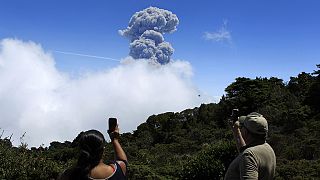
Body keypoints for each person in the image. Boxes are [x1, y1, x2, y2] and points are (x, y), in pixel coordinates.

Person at [58, 122, 128, 180]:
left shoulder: (69, 175)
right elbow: (122, 160)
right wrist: (114, 140)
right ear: (103, 149)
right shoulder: (118, 169)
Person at [224, 112, 276, 180]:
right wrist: (236, 130)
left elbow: (247, 154)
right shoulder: (267, 148)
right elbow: (243, 150)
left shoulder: (249, 155)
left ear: (245, 132)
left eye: (242, 127)